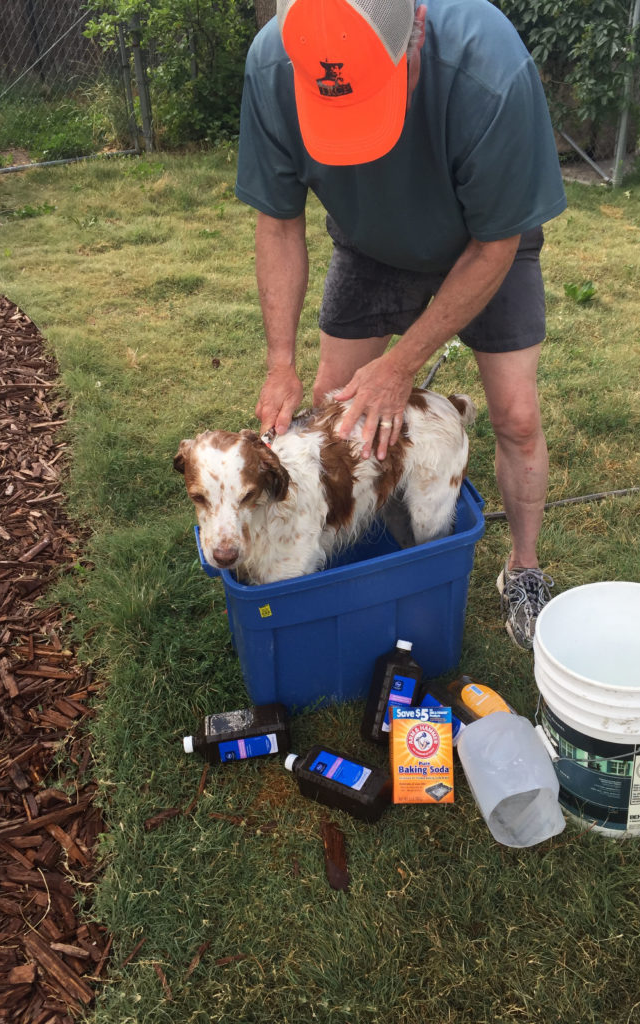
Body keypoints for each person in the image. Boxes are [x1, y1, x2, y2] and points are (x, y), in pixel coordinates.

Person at [234, 0, 567, 649]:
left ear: (414, 35)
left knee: (518, 418)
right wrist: (281, 360)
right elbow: (278, 220)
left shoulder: (489, 70)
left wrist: (401, 364)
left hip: (485, 241)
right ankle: (354, 551)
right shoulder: (274, 66)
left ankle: (524, 569)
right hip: (369, 244)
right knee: (338, 410)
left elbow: (495, 248)